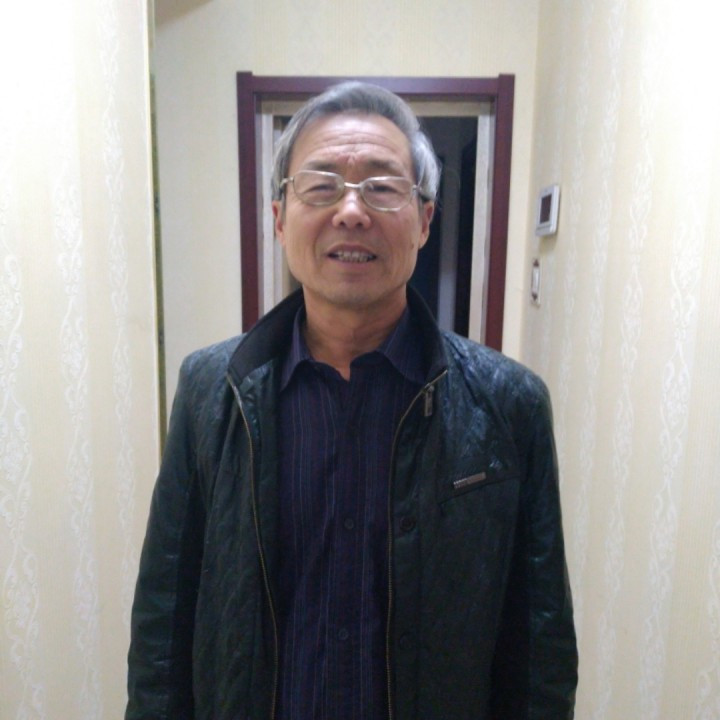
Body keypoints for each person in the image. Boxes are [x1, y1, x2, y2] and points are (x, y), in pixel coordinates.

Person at [126, 81, 578, 720]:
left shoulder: (509, 406)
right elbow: (163, 623)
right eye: (321, 185)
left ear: (424, 220)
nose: (351, 211)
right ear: (280, 218)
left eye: (382, 187)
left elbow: (540, 650)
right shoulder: (210, 391)